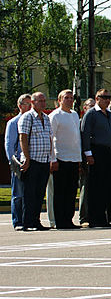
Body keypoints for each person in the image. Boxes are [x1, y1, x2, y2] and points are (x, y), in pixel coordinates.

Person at [81, 89, 111, 227]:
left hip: (108, 151)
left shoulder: (108, 114)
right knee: (96, 187)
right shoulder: (91, 114)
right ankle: (94, 218)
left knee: (106, 186)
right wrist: (88, 154)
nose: (107, 100)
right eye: (104, 97)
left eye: (109, 97)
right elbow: (85, 133)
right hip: (96, 151)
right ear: (97, 98)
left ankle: (103, 217)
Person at [18, 92, 54, 231]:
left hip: (44, 160)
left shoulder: (46, 118)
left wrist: (51, 158)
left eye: (44, 100)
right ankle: (27, 222)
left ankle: (36, 220)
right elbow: (23, 138)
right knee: (30, 193)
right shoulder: (27, 117)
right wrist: (26, 157)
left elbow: (49, 138)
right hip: (32, 160)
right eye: (40, 101)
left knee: (39, 193)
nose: (43, 103)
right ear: (32, 102)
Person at [50, 91, 81, 230]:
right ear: (59, 100)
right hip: (60, 158)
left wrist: (79, 157)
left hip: (74, 158)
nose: (69, 100)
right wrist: (53, 158)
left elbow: (77, 137)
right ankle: (60, 220)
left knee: (71, 191)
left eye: (71, 98)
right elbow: (51, 139)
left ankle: (68, 219)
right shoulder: (55, 116)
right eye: (66, 98)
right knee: (60, 192)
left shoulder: (74, 115)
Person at [7, 94, 31, 230]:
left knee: (29, 193)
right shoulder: (13, 123)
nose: (29, 107)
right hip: (19, 163)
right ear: (20, 106)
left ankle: (28, 220)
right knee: (18, 194)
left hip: (31, 161)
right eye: (27, 104)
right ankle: (18, 221)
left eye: (30, 103)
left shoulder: (33, 120)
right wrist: (13, 163)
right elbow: (9, 145)